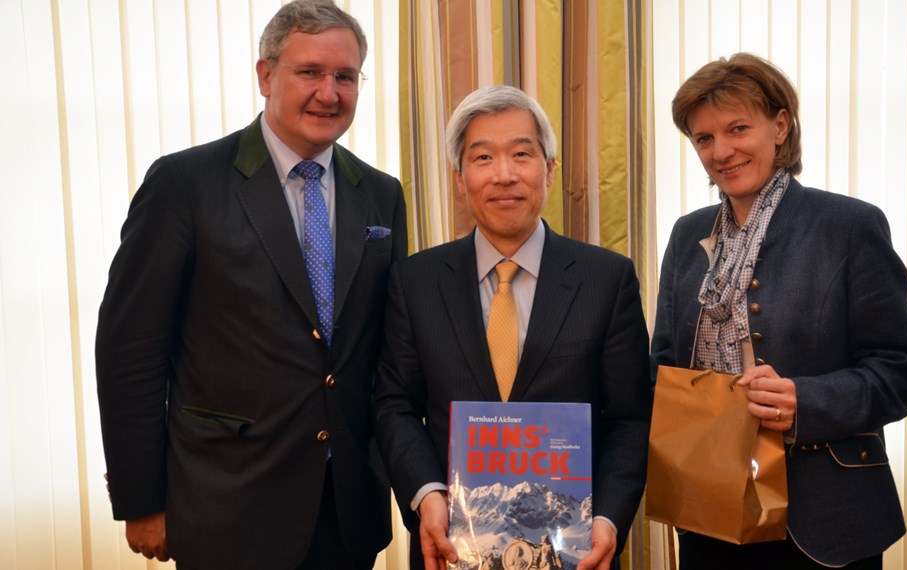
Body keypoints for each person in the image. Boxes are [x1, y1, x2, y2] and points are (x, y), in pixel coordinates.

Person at [94, 1, 406, 568]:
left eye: (345, 76)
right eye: (309, 72)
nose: (328, 93)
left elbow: (385, 351)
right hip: (226, 508)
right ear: (265, 75)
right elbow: (130, 352)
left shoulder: (382, 194)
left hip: (348, 512)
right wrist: (141, 499)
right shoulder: (184, 184)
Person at [649, 52, 907, 569]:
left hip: (824, 524)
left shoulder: (848, 227)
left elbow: (905, 369)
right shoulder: (686, 234)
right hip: (708, 513)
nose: (722, 151)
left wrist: (805, 401)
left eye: (738, 128)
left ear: (780, 126)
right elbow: (664, 363)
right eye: (704, 138)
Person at [374, 85, 652, 570]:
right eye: (483, 157)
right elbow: (395, 405)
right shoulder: (414, 281)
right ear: (460, 179)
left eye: (521, 154)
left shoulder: (607, 279)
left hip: (574, 549)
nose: (504, 175)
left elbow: (630, 417)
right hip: (451, 545)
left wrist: (608, 517)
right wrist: (426, 496)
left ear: (549, 168)